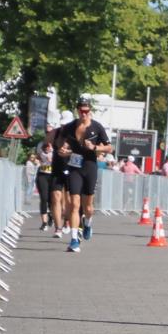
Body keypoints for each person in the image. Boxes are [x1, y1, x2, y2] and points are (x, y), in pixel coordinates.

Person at [54, 100, 113, 253]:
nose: (84, 113)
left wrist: (94, 147)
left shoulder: (96, 126)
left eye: (87, 111)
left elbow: (109, 147)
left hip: (90, 166)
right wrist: (62, 150)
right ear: (77, 111)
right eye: (82, 111)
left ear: (90, 111)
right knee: (74, 204)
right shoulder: (70, 126)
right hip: (75, 167)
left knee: (88, 207)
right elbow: (60, 143)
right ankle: (74, 240)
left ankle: (87, 223)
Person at [35, 131, 56, 231]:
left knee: (52, 200)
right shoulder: (40, 145)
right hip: (42, 174)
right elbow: (38, 156)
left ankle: (51, 215)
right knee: (44, 198)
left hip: (53, 175)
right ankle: (44, 222)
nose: (48, 147)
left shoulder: (56, 146)